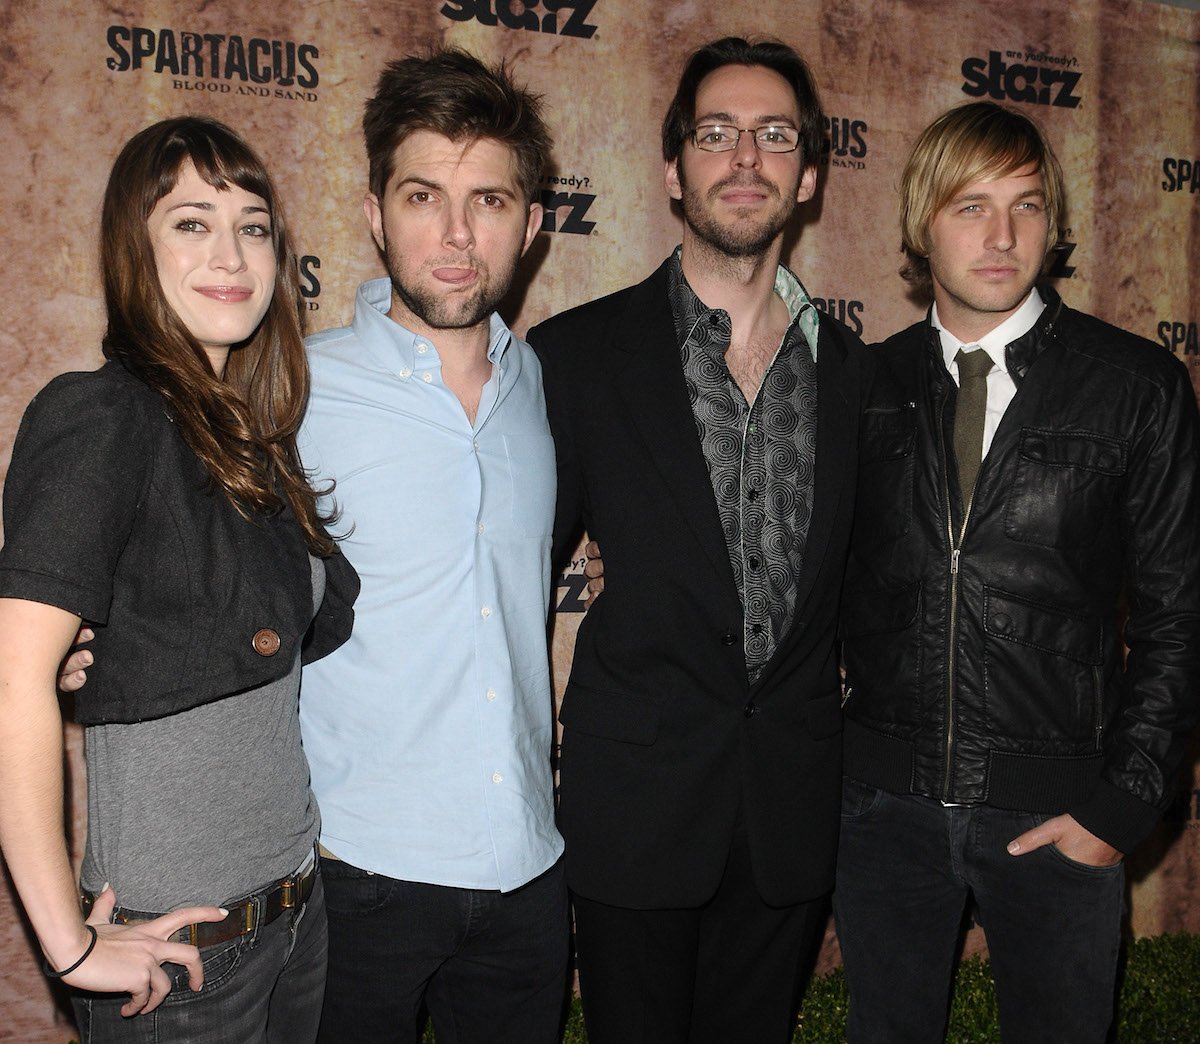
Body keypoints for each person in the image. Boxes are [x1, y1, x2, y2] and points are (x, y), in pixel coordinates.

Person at [834, 100, 1200, 1042]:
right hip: (884, 813)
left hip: (1058, 813)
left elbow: (1178, 618)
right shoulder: (863, 389)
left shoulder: (1136, 387)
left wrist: (1117, 805)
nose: (1002, 236)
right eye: (970, 206)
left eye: (1027, 206)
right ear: (922, 222)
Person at [527, 36, 866, 1044]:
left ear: (808, 176)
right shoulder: (577, 357)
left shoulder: (859, 375)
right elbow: (509, 574)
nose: (745, 158)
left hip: (792, 812)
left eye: (773, 136)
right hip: (636, 804)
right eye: (716, 135)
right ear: (675, 172)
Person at [0, 116, 358, 1042]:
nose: (230, 253)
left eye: (252, 224)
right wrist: (69, 948)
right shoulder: (103, 418)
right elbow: (11, 684)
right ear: (136, 247)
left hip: (296, 921)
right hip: (185, 963)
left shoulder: (253, 443)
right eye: (192, 223)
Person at [295, 50, 567, 1043]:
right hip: (356, 876)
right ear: (375, 211)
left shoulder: (544, 388)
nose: (457, 235)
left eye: (489, 199)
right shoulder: (293, 391)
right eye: (424, 196)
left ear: (532, 224)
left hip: (530, 874)